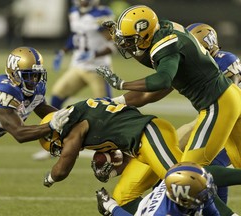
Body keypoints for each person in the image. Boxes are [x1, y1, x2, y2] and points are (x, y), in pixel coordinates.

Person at [96, 5, 241, 168]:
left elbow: (162, 80)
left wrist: (123, 84)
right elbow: (151, 70)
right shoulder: (163, 30)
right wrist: (116, 102)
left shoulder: (167, 47)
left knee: (188, 170)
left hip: (218, 103)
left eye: (131, 40)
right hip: (227, 99)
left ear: (145, 34)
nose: (128, 45)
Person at [40, 98, 240, 215]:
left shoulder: (75, 130)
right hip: (141, 149)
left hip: (150, 136)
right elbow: (122, 141)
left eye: (58, 145)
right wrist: (114, 164)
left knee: (186, 178)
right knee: (122, 198)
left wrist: (49, 178)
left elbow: (63, 168)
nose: (62, 148)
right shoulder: (86, 116)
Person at [0, 46, 72, 210]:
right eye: (29, 75)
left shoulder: (35, 89)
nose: (34, 80)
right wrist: (51, 126)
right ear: (13, 73)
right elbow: (19, 133)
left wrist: (70, 116)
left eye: (37, 75)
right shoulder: (3, 89)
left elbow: (41, 108)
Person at [31, 0, 116, 160]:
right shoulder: (74, 12)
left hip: (98, 68)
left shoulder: (102, 14)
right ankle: (54, 140)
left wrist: (94, 54)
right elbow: (77, 35)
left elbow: (113, 41)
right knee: (56, 96)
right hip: (78, 65)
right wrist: (64, 50)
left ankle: (110, 147)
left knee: (106, 107)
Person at [176, 23, 241, 204]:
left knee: (212, 165)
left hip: (234, 122)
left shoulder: (224, 59)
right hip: (226, 119)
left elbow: (230, 96)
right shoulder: (206, 63)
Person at [96, 162, 220, 216]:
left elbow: (213, 214)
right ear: (183, 197)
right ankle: (108, 204)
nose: (207, 193)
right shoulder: (162, 213)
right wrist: (112, 207)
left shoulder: (189, 190)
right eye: (202, 192)